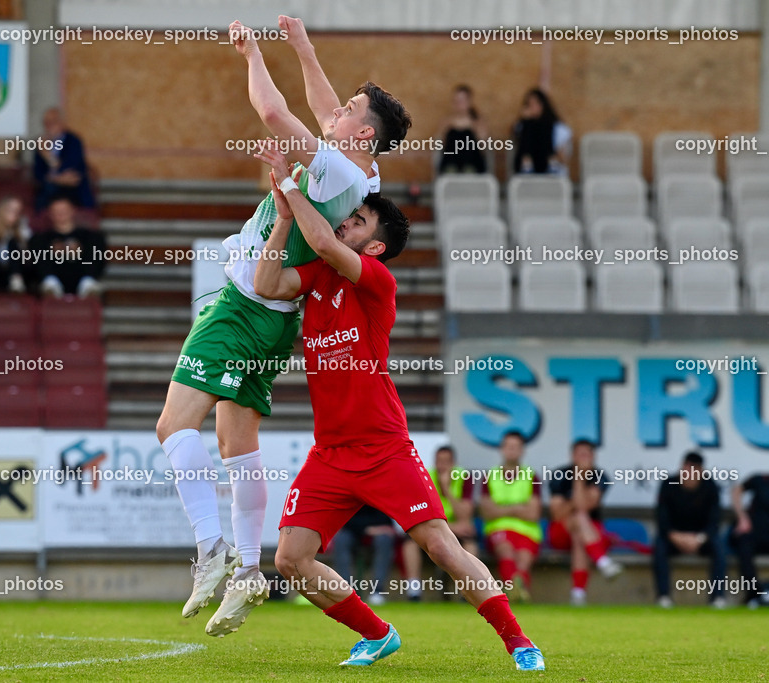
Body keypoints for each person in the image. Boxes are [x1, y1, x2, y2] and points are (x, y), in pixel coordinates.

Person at [155, 16, 408, 638]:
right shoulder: (364, 175)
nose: (335, 109)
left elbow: (272, 112)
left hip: (243, 304)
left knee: (171, 426)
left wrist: (252, 53)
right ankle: (245, 569)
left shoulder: (342, 172)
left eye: (350, 109)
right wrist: (304, 47)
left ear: (365, 131)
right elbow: (324, 108)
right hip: (274, 316)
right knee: (236, 445)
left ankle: (211, 549)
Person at [253, 144, 543, 670]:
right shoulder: (318, 278)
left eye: (359, 220)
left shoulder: (376, 282)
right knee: (290, 559)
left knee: (441, 546)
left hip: (384, 447)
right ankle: (377, 632)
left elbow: (318, 236)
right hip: (331, 453)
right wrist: (280, 221)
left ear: (377, 245)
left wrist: (289, 191)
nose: (347, 223)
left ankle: (519, 642)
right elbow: (266, 283)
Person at [547, 439, 623, 606]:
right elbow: (557, 514)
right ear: (572, 456)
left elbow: (585, 507)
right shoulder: (559, 475)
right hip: (561, 532)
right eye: (580, 454)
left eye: (587, 454)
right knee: (578, 519)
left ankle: (578, 595)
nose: (583, 458)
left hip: (590, 533)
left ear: (593, 456)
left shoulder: (601, 476)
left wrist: (578, 484)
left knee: (579, 530)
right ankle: (602, 561)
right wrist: (579, 480)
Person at [401, 444, 477, 601]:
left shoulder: (463, 477)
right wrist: (452, 527)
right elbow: (421, 515)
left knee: (471, 546)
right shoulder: (425, 476)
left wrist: (447, 489)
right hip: (434, 530)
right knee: (409, 546)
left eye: (446, 461)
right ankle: (413, 591)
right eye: (439, 461)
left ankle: (467, 591)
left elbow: (465, 517)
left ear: (453, 463)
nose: (442, 466)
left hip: (455, 533)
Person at [653, 452, 726, 609]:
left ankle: (718, 598)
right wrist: (675, 536)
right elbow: (661, 518)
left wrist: (699, 538)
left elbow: (714, 521)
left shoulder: (710, 486)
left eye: (694, 470)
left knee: (719, 547)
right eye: (686, 468)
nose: (689, 474)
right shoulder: (669, 484)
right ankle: (663, 596)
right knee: (659, 546)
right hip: (674, 537)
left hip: (701, 538)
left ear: (701, 471)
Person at [480, 431, 543, 602]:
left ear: (523, 450)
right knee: (505, 548)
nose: (512, 450)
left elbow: (534, 513)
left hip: (527, 531)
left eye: (516, 447)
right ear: (502, 449)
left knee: (523, 557)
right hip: (498, 530)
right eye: (509, 446)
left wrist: (501, 508)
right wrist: (518, 507)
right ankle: (516, 592)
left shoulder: (531, 476)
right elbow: (487, 512)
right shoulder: (490, 476)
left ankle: (515, 593)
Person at [30, 197, 107, 298]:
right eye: (56, 211)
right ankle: (50, 284)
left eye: (64, 210)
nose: (61, 214)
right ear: (50, 214)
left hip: (81, 275)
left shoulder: (89, 236)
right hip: (54, 276)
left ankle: (88, 284)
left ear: (73, 211)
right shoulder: (42, 238)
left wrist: (78, 250)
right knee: (36, 241)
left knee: (96, 240)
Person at [33, 107, 97, 212]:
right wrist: (56, 179)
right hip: (51, 187)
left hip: (73, 188)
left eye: (53, 122)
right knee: (46, 191)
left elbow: (70, 169)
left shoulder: (73, 141)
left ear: (62, 123)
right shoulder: (40, 143)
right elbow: (38, 173)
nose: (49, 126)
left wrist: (48, 156)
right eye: (46, 122)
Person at [332, 506, 396, 606]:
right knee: (341, 540)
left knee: (384, 540)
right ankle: (345, 590)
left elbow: (385, 521)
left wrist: (371, 529)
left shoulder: (379, 493)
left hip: (376, 532)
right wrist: (366, 529)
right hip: (353, 531)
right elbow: (345, 519)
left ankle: (377, 590)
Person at [511, 88, 572, 175]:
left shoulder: (559, 129)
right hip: (528, 174)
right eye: (529, 104)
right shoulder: (522, 126)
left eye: (536, 103)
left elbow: (563, 159)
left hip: (552, 174)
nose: (533, 107)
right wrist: (526, 123)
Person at [731, 472, 769, 608]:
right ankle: (754, 593)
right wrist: (742, 517)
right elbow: (737, 490)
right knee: (744, 544)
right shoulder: (760, 479)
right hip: (756, 533)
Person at [436, 85, 489, 175]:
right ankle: (451, 171)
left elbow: (484, 145)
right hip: (451, 163)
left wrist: (474, 127)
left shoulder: (477, 122)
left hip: (472, 163)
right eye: (456, 101)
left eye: (461, 101)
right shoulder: (447, 122)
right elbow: (438, 143)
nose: (458, 104)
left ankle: (468, 170)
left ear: (469, 102)